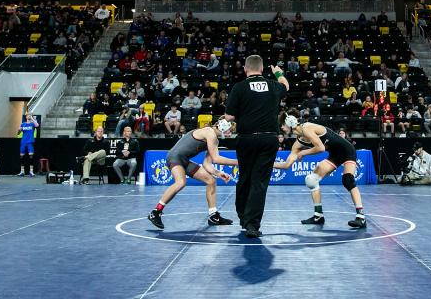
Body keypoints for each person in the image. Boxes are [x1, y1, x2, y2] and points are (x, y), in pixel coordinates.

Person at [223, 54, 290, 238]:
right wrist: (277, 73)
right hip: (269, 139)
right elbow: (286, 86)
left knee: (245, 178)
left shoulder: (239, 87)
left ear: (246, 69)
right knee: (259, 182)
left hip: (246, 139)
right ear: (261, 69)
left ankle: (244, 218)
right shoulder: (273, 84)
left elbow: (228, 117)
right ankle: (252, 225)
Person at [274, 109, 366, 228]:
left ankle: (361, 217)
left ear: (289, 122)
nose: (281, 128)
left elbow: (321, 148)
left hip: (347, 150)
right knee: (311, 180)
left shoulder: (307, 127)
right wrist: (270, 164)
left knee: (347, 180)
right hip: (335, 154)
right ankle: (318, 216)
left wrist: (304, 153)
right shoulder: (297, 144)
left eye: (282, 125)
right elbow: (287, 165)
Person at [147, 119, 238, 229]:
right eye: (230, 130)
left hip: (184, 160)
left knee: (211, 181)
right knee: (181, 182)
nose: (231, 133)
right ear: (223, 127)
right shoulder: (209, 132)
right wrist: (238, 162)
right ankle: (156, 212)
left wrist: (218, 173)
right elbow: (216, 158)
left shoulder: (215, 140)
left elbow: (207, 164)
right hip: (174, 157)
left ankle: (213, 216)